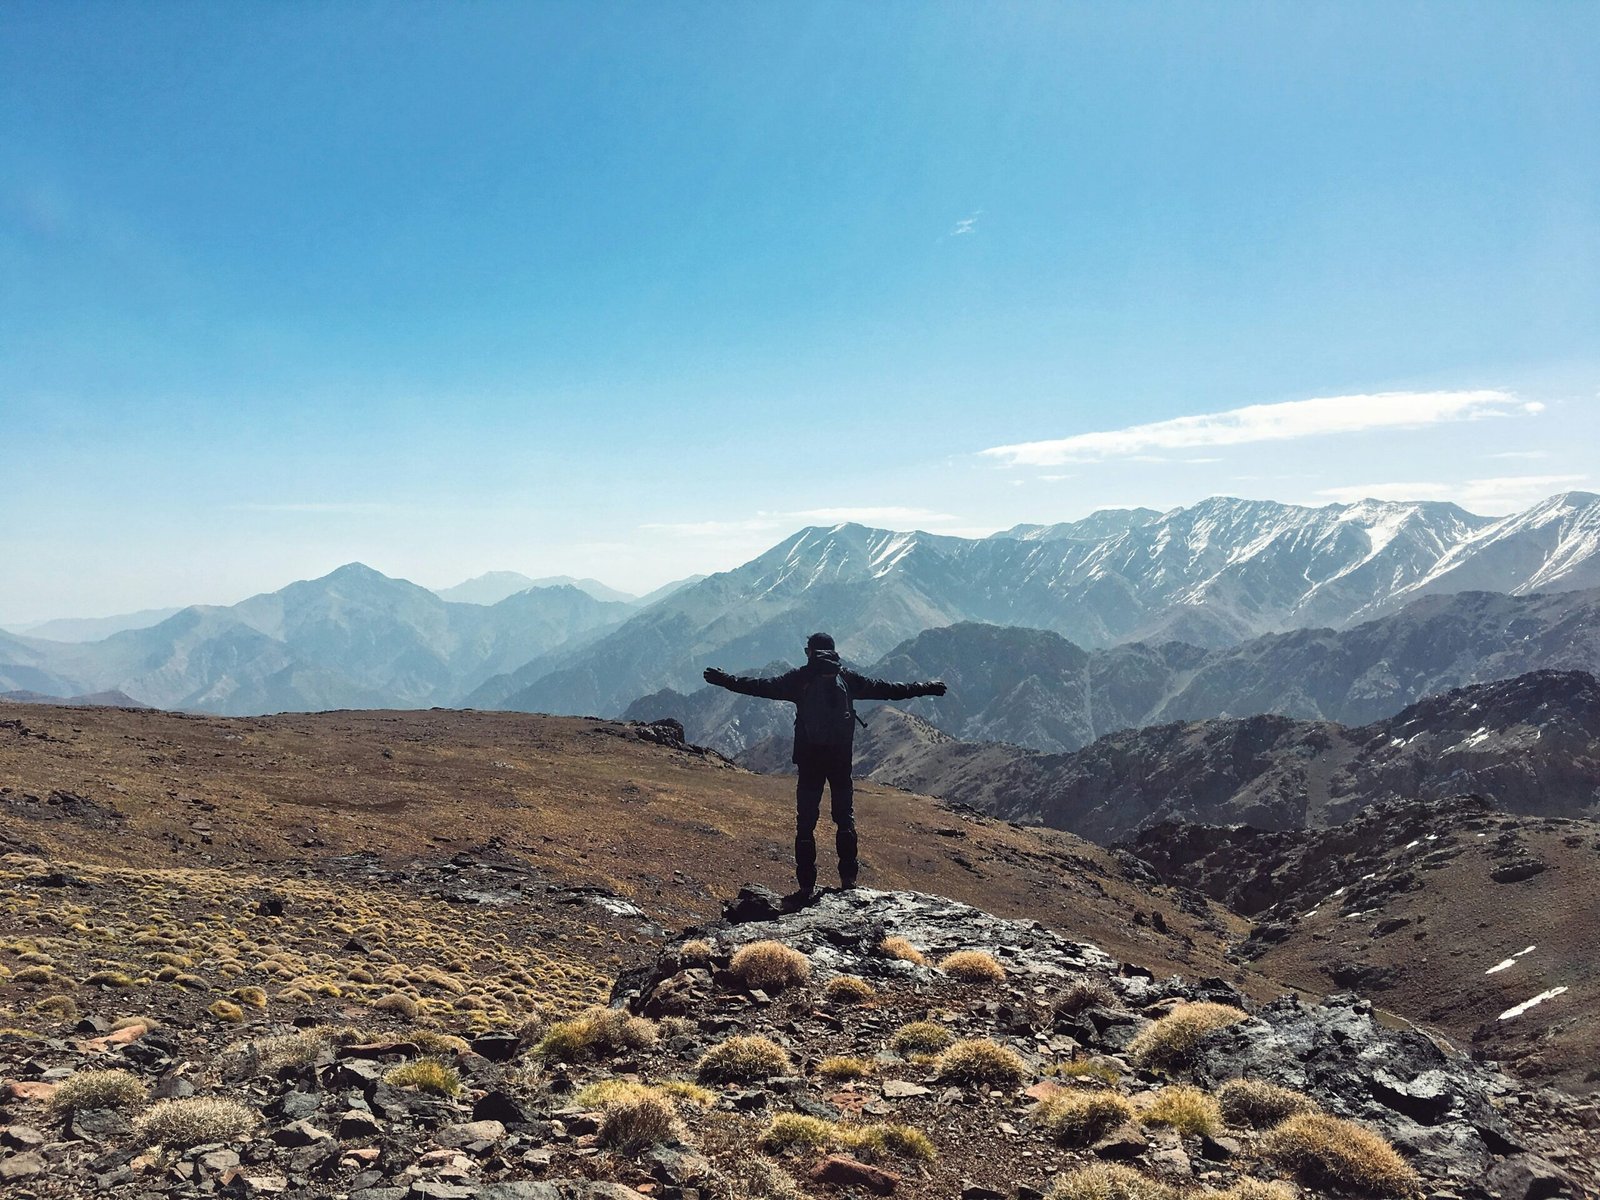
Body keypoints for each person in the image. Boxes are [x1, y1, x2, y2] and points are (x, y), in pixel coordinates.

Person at [702, 632, 947, 898]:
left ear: (811, 652)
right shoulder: (847, 678)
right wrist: (926, 687)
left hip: (809, 761)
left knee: (806, 823)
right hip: (840, 761)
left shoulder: (800, 678)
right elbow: (889, 689)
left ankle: (806, 887)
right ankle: (848, 881)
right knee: (844, 819)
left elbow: (760, 686)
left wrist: (725, 680)